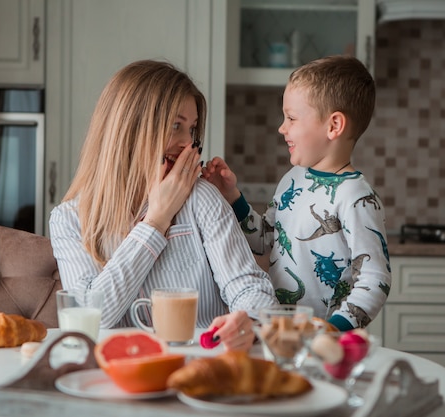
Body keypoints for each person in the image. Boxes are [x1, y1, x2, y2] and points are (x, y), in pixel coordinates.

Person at [49, 59, 278, 351]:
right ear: (129, 129)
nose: (187, 143)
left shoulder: (202, 199)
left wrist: (250, 321)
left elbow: (251, 290)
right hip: (121, 376)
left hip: (203, 367)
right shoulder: (68, 220)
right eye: (175, 126)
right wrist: (156, 222)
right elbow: (95, 317)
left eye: (192, 129)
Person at [202, 55, 391, 332]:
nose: (282, 127)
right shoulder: (294, 178)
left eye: (291, 118)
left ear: (333, 126)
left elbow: (375, 279)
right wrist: (233, 198)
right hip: (281, 334)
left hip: (328, 344)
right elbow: (266, 241)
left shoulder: (356, 197)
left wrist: (332, 330)